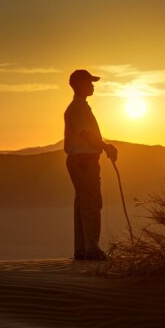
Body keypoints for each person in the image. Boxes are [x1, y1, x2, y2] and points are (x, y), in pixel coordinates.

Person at [64, 69, 118, 261]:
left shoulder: (80, 107)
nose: (93, 85)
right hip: (84, 161)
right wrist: (106, 147)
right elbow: (86, 134)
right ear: (79, 85)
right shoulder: (77, 108)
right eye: (89, 82)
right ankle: (92, 249)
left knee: (83, 204)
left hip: (81, 161)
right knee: (91, 203)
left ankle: (82, 249)